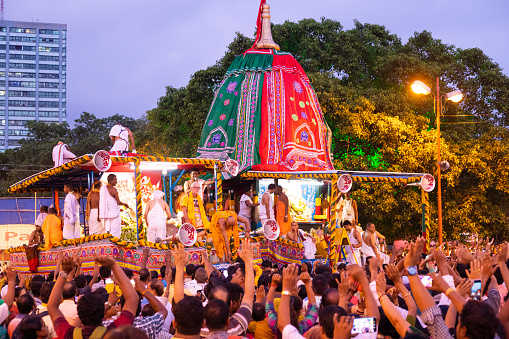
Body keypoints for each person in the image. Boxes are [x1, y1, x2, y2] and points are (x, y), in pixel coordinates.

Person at [48, 254, 139, 339]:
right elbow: (133, 299)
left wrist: (64, 272)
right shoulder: (114, 333)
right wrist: (114, 265)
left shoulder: (68, 334)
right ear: (103, 313)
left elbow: (52, 306)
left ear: (78, 314)